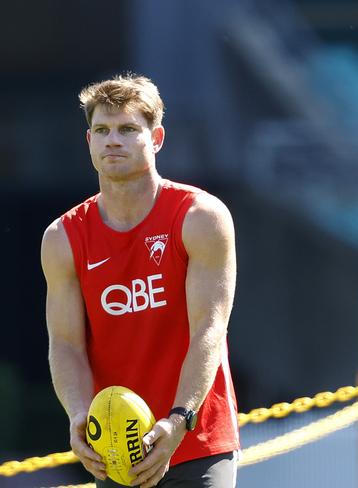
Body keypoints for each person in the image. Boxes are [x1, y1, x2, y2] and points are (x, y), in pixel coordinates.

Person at [41, 73, 240, 488]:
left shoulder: (200, 217)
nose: (113, 140)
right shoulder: (62, 237)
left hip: (196, 437)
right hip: (117, 448)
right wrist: (79, 416)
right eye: (102, 130)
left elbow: (210, 329)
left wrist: (180, 418)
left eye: (128, 129)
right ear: (89, 142)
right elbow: (65, 344)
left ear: (158, 137)